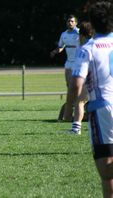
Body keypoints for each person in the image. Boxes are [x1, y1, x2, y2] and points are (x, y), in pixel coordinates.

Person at [67, 1, 113, 197]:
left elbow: (77, 83)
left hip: (102, 110)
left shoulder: (88, 48)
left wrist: (69, 108)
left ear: (92, 24)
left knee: (107, 176)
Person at [65, 21, 94, 134]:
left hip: (88, 79)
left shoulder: (84, 48)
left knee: (80, 102)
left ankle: (76, 128)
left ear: (81, 35)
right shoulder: (99, 44)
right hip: (104, 80)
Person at [50, 15, 80, 121]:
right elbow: (61, 46)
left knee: (77, 87)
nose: (70, 23)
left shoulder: (80, 33)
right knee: (69, 86)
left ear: (76, 23)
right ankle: (71, 106)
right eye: (68, 21)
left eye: (72, 21)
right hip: (69, 63)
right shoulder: (64, 34)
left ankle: (77, 105)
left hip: (78, 63)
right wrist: (55, 51)